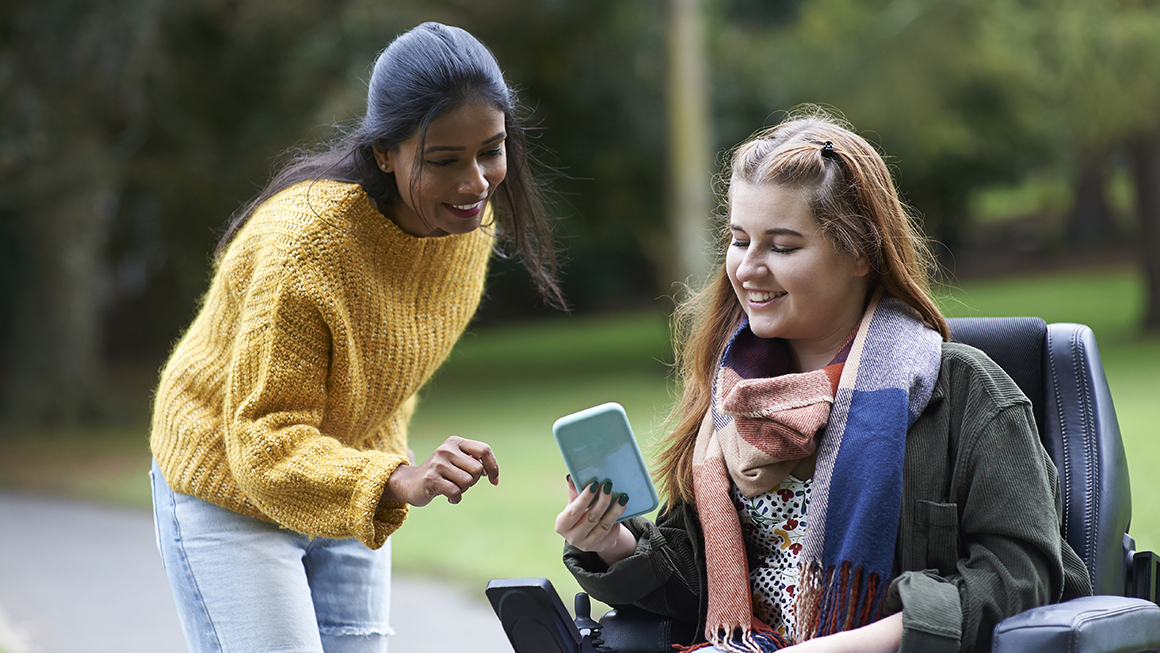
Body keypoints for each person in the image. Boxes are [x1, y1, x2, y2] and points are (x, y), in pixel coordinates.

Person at [555, 109, 1091, 653]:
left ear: (860, 250)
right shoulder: (730, 395)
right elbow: (706, 594)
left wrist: (849, 645)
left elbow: (1022, 579)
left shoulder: (967, 394)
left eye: (782, 246)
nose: (747, 268)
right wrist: (613, 543)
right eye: (740, 241)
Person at [149, 22, 564, 653]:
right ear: (383, 154)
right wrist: (397, 480)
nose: (476, 183)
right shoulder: (306, 247)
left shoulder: (464, 233)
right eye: (443, 161)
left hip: (345, 477)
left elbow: (384, 371)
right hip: (228, 482)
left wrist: (385, 471)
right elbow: (261, 439)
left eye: (491, 150)